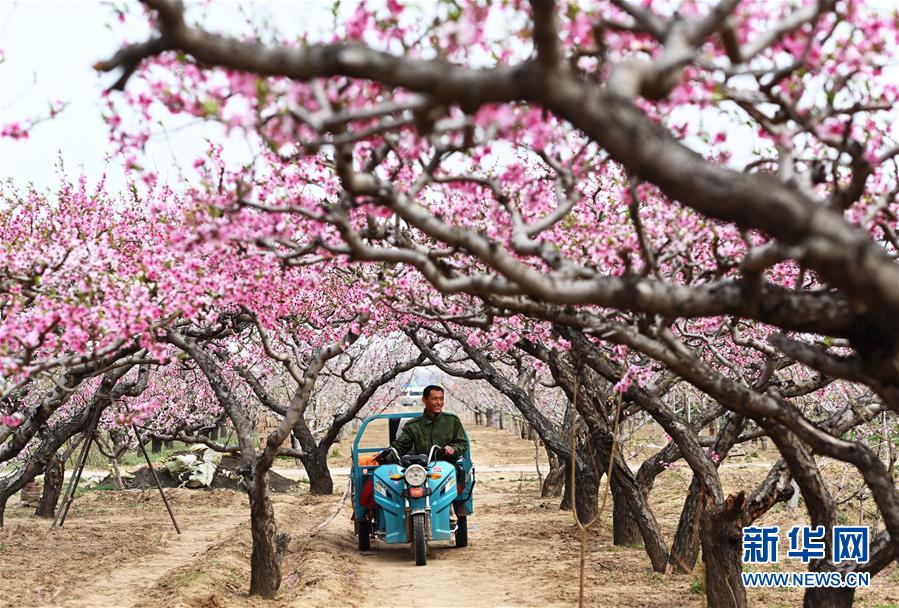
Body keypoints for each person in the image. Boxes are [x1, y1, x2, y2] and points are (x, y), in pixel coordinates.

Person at [383, 385, 467, 463]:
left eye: (441, 399)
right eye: (434, 399)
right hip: (423, 469)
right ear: (424, 400)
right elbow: (399, 447)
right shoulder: (413, 425)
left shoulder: (452, 421)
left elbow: (462, 443)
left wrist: (453, 449)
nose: (439, 402)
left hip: (449, 466)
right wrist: (383, 458)